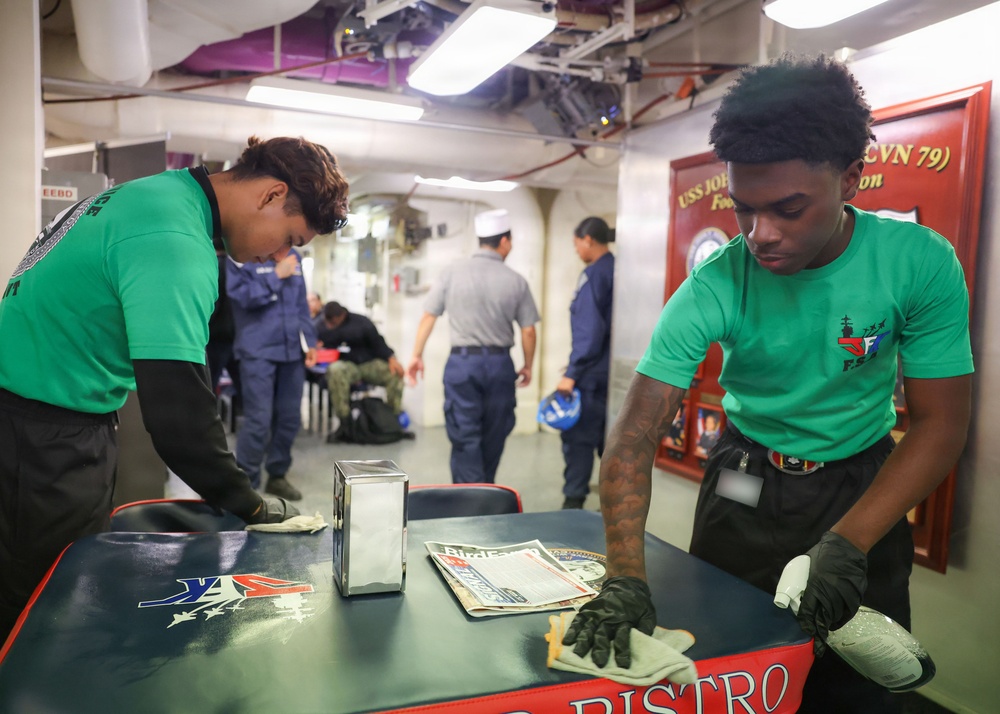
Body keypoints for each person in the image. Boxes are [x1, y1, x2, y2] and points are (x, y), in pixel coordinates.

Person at [562, 55, 972, 714]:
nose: (762, 235)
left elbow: (940, 422)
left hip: (862, 487)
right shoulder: (717, 282)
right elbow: (634, 437)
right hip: (743, 482)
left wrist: (850, 541)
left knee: (857, 694)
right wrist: (625, 579)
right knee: (732, 676)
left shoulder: (918, 264)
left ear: (850, 178)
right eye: (744, 210)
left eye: (787, 209)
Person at [0, 135, 350, 642]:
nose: (277, 256)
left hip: (33, 415)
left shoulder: (156, 193)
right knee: (42, 615)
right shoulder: (177, 240)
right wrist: (252, 506)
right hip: (39, 438)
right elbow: (179, 420)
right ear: (272, 195)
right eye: (289, 240)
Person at [407, 209, 540, 484]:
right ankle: (486, 492)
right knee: (495, 433)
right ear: (503, 241)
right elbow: (528, 331)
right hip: (500, 365)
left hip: (462, 365)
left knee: (465, 435)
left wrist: (417, 355)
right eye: (510, 241)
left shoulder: (451, 273)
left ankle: (468, 500)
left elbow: (428, 316)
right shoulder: (516, 280)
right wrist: (528, 365)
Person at [227, 249, 317, 501]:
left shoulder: (293, 256)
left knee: (289, 418)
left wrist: (309, 341)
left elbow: (301, 303)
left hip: (292, 352)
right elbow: (241, 297)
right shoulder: (242, 254)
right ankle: (247, 483)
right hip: (258, 350)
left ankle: (277, 476)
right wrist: (276, 275)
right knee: (259, 420)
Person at [552, 216, 615, 510]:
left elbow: (589, 332)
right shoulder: (618, 270)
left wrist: (572, 374)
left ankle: (571, 512)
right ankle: (613, 513)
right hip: (615, 378)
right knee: (614, 450)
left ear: (587, 239)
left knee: (578, 446)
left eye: (577, 244)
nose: (577, 250)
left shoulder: (592, 275)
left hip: (589, 380)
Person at [315, 301, 405, 441]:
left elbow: (378, 343)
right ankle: (345, 424)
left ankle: (392, 419)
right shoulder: (322, 325)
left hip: (368, 363)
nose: (329, 326)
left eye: (332, 322)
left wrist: (391, 358)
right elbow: (317, 343)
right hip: (347, 365)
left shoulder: (361, 322)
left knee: (394, 374)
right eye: (327, 322)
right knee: (335, 371)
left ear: (341, 316)